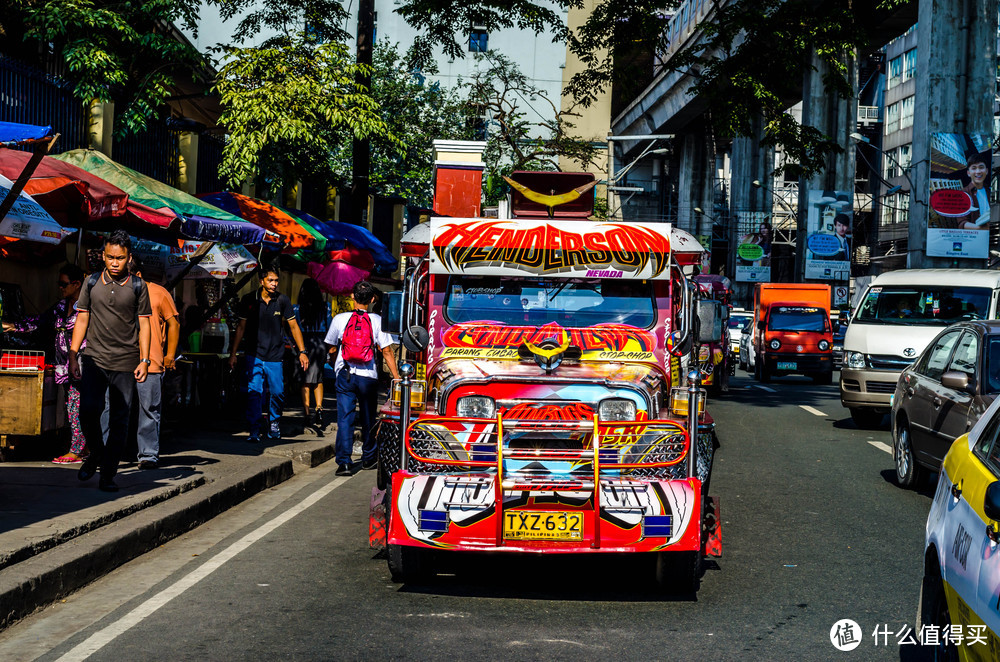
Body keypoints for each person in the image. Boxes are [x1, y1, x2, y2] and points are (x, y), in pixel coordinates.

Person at [68, 230, 152, 492]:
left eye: (121, 258)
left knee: (120, 420)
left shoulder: (139, 286)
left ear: (129, 258)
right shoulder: (91, 282)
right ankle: (96, 453)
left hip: (126, 363)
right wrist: (73, 354)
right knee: (88, 411)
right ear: (103, 256)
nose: (115, 262)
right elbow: (82, 318)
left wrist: (145, 360)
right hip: (94, 358)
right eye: (111, 257)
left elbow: (145, 324)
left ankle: (107, 474)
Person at [2, 264, 88, 464]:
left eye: (63, 284)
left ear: (76, 284)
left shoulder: (86, 306)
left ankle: (78, 449)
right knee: (72, 406)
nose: (60, 287)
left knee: (79, 406)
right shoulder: (60, 306)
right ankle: (80, 447)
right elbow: (40, 321)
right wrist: (14, 326)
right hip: (62, 364)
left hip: (81, 362)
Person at [324, 280, 400, 476]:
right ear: (372, 299)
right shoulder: (376, 321)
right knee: (368, 419)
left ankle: (345, 463)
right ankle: (368, 458)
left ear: (352, 296)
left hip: (345, 374)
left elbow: (331, 347)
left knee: (345, 418)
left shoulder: (339, 319)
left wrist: (336, 365)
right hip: (368, 377)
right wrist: (397, 377)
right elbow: (387, 352)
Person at [228, 265, 309, 443]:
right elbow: (240, 327)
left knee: (278, 392)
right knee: (254, 392)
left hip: (275, 355)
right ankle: (255, 428)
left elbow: (294, 326)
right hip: (253, 354)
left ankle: (274, 422)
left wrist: (302, 351)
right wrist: (233, 353)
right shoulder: (249, 300)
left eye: (276, 281)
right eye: (270, 280)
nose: (274, 284)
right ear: (261, 281)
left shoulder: (282, 301)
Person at [128, 256, 179, 469]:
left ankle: (148, 455)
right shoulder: (119, 293)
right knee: (112, 408)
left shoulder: (159, 293)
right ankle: (107, 452)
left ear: (138, 275)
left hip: (152, 362)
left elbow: (174, 324)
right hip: (122, 361)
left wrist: (169, 355)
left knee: (149, 409)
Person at [296, 278, 329, 433]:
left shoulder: (296, 309)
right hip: (321, 342)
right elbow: (329, 328)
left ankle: (307, 412)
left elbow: (291, 328)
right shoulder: (326, 308)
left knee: (305, 380)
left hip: (304, 342)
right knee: (318, 377)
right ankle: (319, 408)